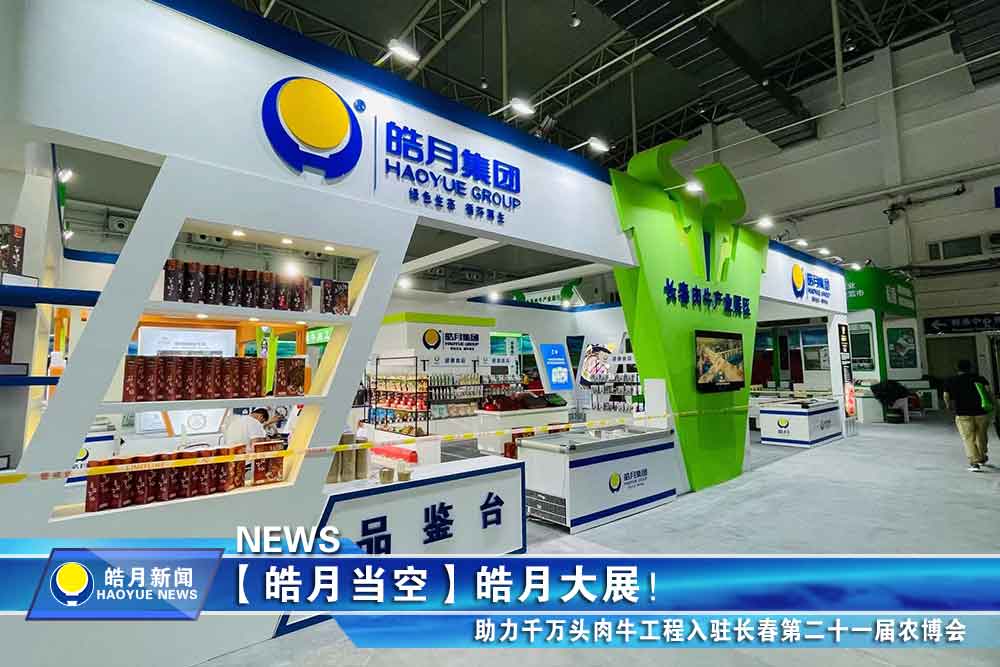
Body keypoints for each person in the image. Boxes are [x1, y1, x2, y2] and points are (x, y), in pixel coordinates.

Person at [943, 360, 992, 472]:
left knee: (968, 438)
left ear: (957, 368)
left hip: (963, 413)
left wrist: (948, 406)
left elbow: (946, 395)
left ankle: (974, 462)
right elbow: (989, 392)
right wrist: (993, 406)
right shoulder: (980, 378)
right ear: (970, 368)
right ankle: (982, 456)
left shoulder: (951, 380)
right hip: (981, 412)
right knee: (982, 435)